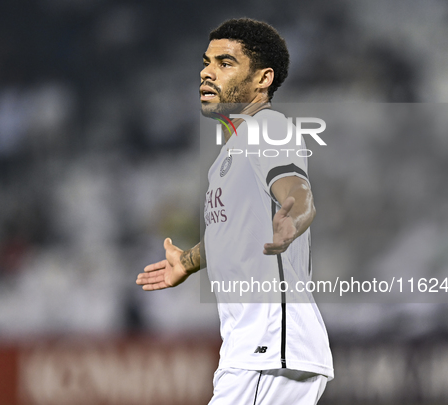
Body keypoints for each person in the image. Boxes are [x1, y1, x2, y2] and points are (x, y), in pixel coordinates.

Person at [137, 18, 333, 404]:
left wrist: (290, 222)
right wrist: (189, 261)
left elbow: (298, 192)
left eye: (225, 63)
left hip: (271, 349)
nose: (207, 73)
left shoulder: (268, 129)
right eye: (206, 62)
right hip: (255, 351)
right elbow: (235, 231)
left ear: (263, 79)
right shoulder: (232, 151)